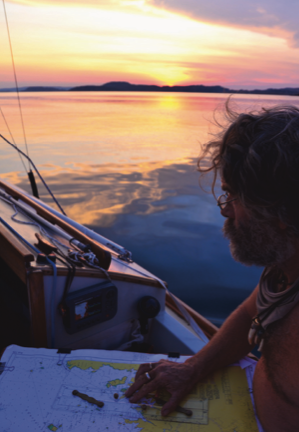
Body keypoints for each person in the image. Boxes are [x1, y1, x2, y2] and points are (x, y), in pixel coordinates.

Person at [125, 104, 299, 432]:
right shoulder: (285, 265)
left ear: (281, 213)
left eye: (233, 197)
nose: (226, 212)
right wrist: (192, 368)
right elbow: (252, 313)